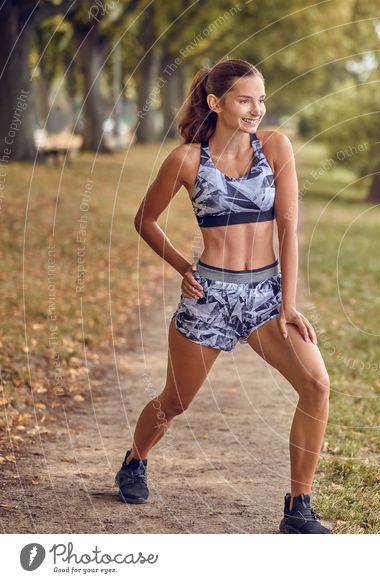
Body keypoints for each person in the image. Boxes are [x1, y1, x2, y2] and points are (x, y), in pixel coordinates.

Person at [116, 58, 331, 534]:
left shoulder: (275, 147)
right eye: (245, 99)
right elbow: (144, 221)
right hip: (209, 297)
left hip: (264, 297)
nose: (257, 109)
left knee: (316, 384)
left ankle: (299, 507)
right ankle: (135, 459)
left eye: (262, 99)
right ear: (216, 103)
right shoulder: (186, 160)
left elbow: (289, 229)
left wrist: (288, 304)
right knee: (174, 402)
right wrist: (181, 266)